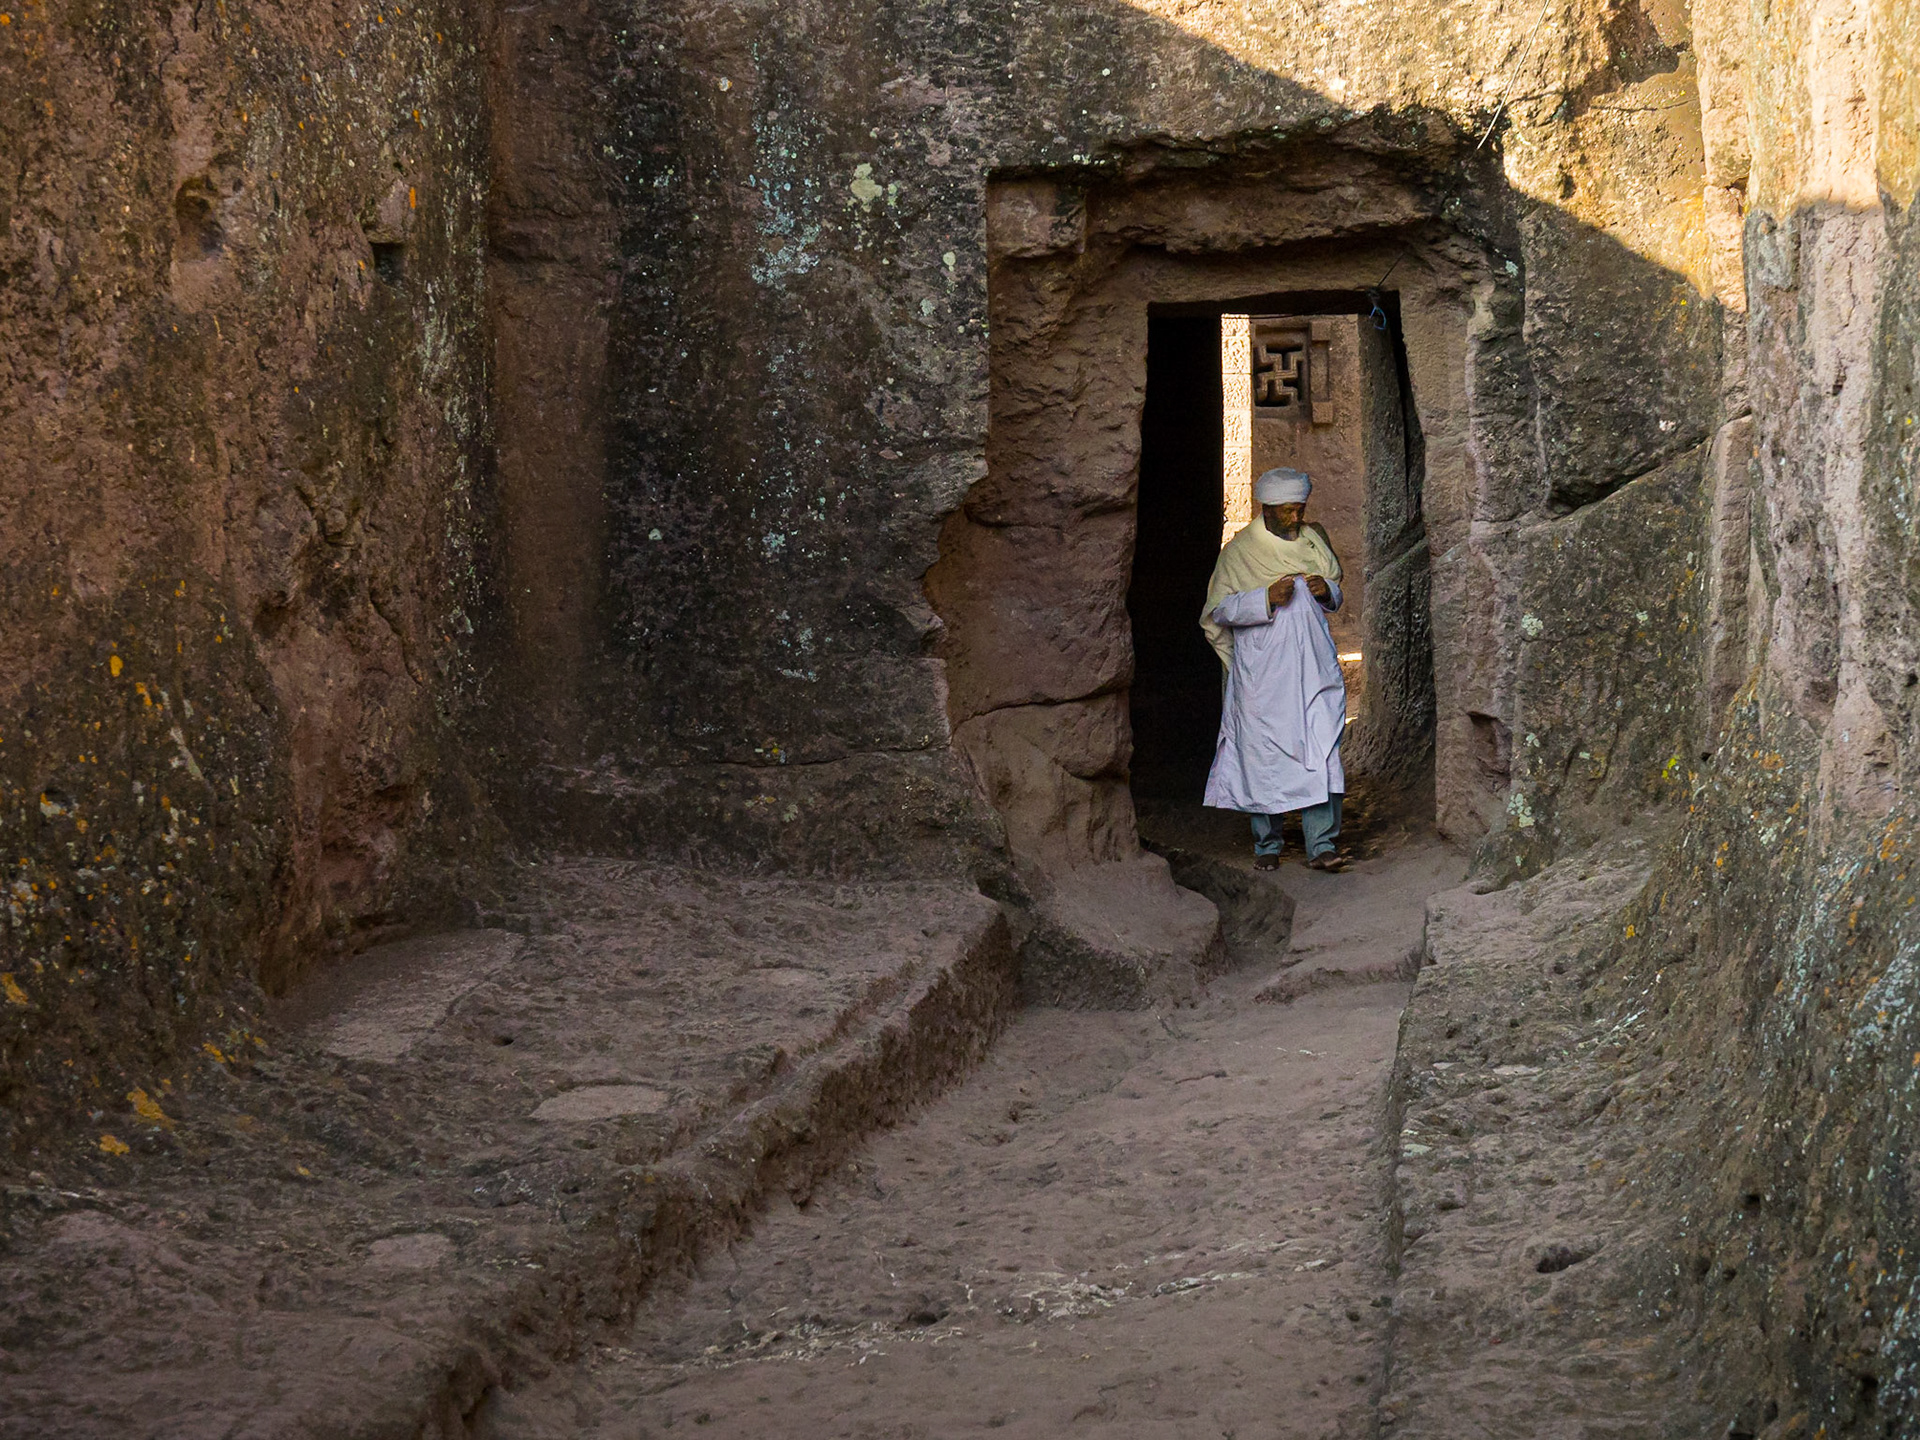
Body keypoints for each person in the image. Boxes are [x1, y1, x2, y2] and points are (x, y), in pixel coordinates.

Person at [1199, 466, 1350, 872]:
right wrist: (1264, 597)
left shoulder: (1313, 543)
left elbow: (1335, 587)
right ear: (1266, 509)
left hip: (1313, 672)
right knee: (1262, 756)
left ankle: (1322, 844)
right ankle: (1267, 844)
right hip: (1262, 677)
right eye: (1286, 511)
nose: (1295, 519)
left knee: (1320, 750)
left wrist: (1326, 590)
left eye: (1299, 510)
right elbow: (1217, 612)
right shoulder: (1240, 553)